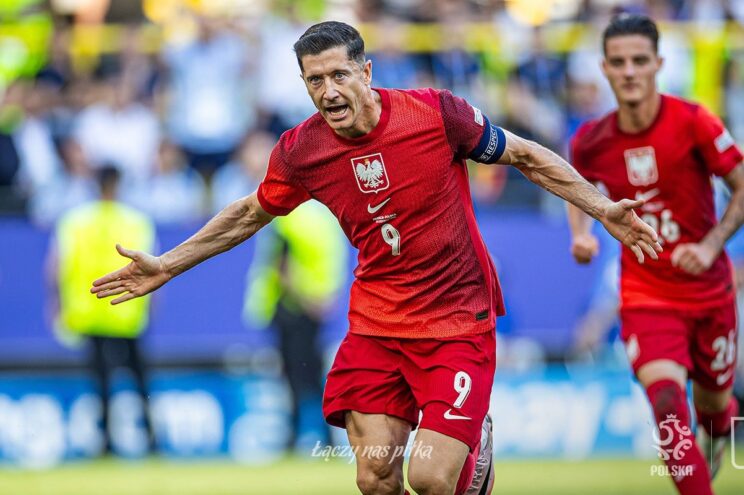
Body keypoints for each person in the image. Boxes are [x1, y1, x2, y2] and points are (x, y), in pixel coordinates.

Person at [91, 21, 660, 495]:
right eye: (315, 80)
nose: (328, 91)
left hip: (457, 321)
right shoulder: (302, 150)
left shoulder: (436, 114)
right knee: (375, 478)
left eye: (339, 74)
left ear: (366, 72)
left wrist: (603, 208)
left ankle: (472, 450)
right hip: (377, 326)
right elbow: (248, 214)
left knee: (431, 478)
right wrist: (168, 264)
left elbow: (528, 157)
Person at [567, 14, 744, 495]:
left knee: (714, 409)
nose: (629, 71)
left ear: (659, 64)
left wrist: (711, 246)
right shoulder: (591, 141)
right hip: (647, 293)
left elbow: (741, 185)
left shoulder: (694, 121)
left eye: (639, 60)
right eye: (619, 62)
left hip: (710, 292)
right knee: (667, 405)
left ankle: (719, 427)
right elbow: (574, 187)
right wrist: (581, 234)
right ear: (604, 68)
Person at [53, 165, 157, 455]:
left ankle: (106, 443)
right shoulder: (135, 221)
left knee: (101, 382)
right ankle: (152, 440)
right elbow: (154, 269)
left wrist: (57, 305)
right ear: (118, 184)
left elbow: (56, 266)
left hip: (90, 313)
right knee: (139, 379)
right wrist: (151, 308)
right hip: (127, 313)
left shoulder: (75, 221)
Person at [244, 199, 347, 453]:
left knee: (295, 376)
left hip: (292, 308)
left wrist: (305, 299)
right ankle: (325, 436)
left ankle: (295, 436)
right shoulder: (323, 218)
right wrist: (323, 299)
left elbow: (282, 266)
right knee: (312, 374)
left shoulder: (287, 221)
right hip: (315, 308)